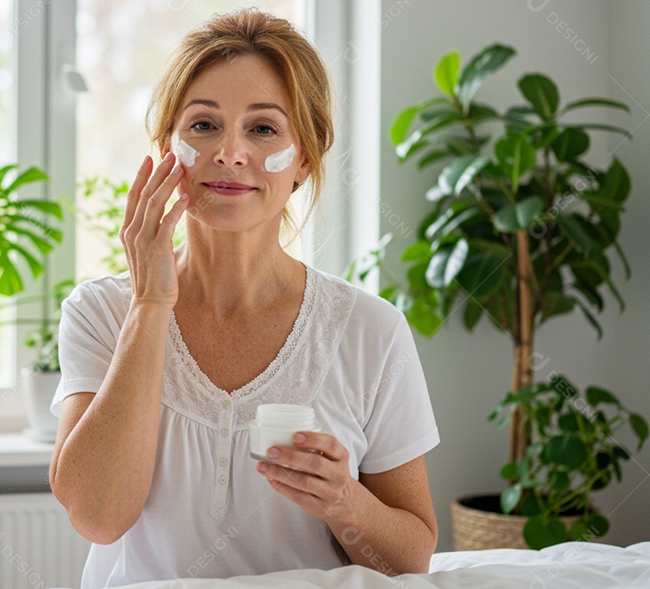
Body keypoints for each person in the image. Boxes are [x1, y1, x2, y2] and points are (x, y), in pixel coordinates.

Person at [49, 9, 439, 587]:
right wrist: (150, 304)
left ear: (304, 159)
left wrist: (346, 502)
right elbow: (98, 518)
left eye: (262, 129)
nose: (230, 153)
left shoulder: (371, 331)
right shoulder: (100, 312)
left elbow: (411, 562)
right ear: (167, 148)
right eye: (204, 124)